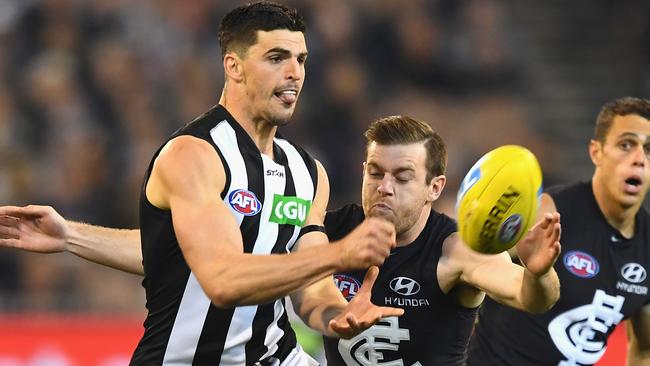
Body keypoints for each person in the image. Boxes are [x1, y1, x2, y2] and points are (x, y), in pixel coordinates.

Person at [0, 2, 406, 365]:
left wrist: (339, 315)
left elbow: (310, 288)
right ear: (234, 66)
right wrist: (341, 254)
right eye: (277, 58)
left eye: (301, 59)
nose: (294, 73)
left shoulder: (308, 172)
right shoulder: (193, 155)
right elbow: (222, 280)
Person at [1, 115, 563, 365]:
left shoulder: (453, 251)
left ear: (437, 187)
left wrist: (538, 270)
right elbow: (209, 261)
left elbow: (527, 294)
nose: (383, 188)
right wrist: (72, 236)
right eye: (374, 172)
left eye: (402, 177)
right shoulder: (329, 231)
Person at [468, 96, 650, 366]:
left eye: (648, 149)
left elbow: (644, 350)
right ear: (596, 152)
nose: (638, 159)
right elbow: (474, 266)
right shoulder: (547, 212)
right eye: (626, 145)